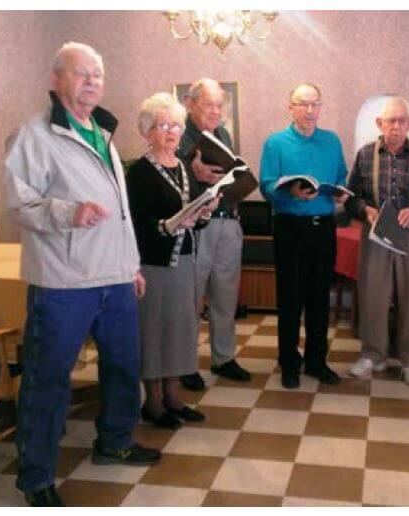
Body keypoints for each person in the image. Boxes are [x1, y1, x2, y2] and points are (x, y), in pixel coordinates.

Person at [4, 42, 160, 507]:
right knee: (48, 379)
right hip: (62, 281)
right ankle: (35, 476)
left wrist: (130, 264)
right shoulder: (32, 134)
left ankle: (114, 440)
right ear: (56, 80)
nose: (91, 81)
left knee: (123, 367)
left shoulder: (102, 132)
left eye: (98, 74)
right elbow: (19, 203)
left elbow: (124, 213)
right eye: (80, 73)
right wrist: (68, 213)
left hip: (114, 277)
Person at [346, 96, 409, 385]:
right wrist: (364, 209)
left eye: (401, 121)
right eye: (390, 121)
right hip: (376, 231)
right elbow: (350, 196)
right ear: (380, 124)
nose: (395, 126)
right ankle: (372, 355)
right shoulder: (365, 155)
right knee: (373, 295)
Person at [127, 93, 215, 429]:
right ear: (147, 132)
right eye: (162, 126)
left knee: (181, 330)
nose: (171, 132)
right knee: (154, 332)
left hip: (186, 263)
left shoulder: (182, 167)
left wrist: (203, 212)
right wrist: (167, 225)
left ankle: (175, 397)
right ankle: (154, 402)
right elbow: (136, 222)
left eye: (175, 126)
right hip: (154, 265)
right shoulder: (139, 172)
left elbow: (191, 213)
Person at [259, 83, 349, 389]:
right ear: (291, 107)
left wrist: (340, 193)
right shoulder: (276, 143)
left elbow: (341, 176)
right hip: (290, 228)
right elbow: (267, 186)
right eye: (303, 104)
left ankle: (316, 361)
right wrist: (292, 191)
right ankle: (289, 362)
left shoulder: (332, 141)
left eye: (315, 104)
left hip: (323, 227)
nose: (310, 110)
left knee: (319, 298)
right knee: (290, 298)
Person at [176, 78, 251, 390]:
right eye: (209, 104)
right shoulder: (178, 135)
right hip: (198, 224)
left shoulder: (222, 134)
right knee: (192, 296)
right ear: (190, 104)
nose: (216, 111)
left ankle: (223, 357)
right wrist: (195, 175)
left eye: (220, 105)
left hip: (228, 219)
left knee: (225, 294)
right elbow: (171, 180)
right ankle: (184, 363)